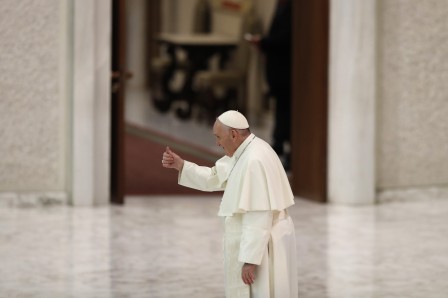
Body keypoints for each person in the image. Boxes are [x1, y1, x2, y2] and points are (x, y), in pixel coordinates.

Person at [162, 110, 298, 298]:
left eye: (219, 137)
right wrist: (182, 165)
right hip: (262, 241)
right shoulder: (247, 150)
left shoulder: (254, 160)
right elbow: (215, 176)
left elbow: (259, 214)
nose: (217, 143)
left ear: (233, 134)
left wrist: (250, 260)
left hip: (264, 245)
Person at [245, 0, 292, 169]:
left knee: (287, 111)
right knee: (281, 109)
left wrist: (264, 42)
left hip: (286, 71)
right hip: (277, 71)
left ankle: (287, 149)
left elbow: (285, 38)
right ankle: (278, 144)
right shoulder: (281, 7)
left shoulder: (292, 8)